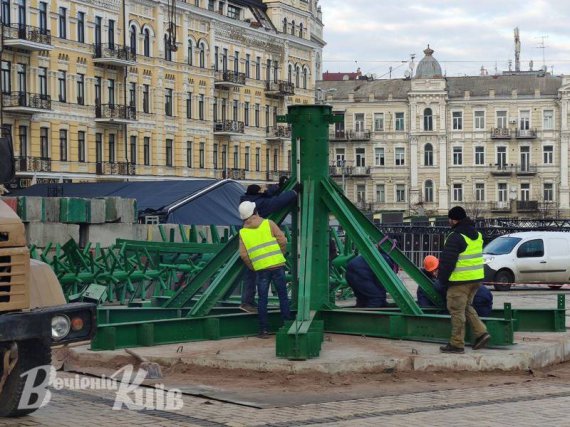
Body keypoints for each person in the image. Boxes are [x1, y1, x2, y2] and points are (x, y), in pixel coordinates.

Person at [238, 178, 298, 313]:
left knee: (258, 289)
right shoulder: (264, 216)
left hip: (255, 258)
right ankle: (285, 318)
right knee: (281, 293)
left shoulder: (246, 202)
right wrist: (293, 193)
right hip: (273, 263)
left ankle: (252, 308)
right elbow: (276, 203)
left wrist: (279, 187)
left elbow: (267, 195)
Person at [437, 206, 491, 354]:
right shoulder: (477, 235)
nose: (449, 221)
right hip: (476, 279)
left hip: (460, 282)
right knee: (466, 307)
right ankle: (481, 333)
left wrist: (441, 279)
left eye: (449, 219)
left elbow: (448, 262)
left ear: (454, 219)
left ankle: (456, 344)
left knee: (456, 311)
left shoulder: (455, 236)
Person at [238, 201, 291, 339]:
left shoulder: (243, 232)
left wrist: (254, 266)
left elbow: (243, 255)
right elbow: (283, 240)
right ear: (255, 211)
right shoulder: (269, 223)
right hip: (277, 265)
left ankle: (264, 330)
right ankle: (287, 326)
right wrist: (280, 255)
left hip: (261, 269)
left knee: (262, 300)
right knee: (283, 297)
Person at [417, 255, 493, 317]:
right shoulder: (449, 271)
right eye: (432, 271)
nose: (434, 273)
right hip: (483, 294)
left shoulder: (443, 278)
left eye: (435, 270)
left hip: (478, 298)